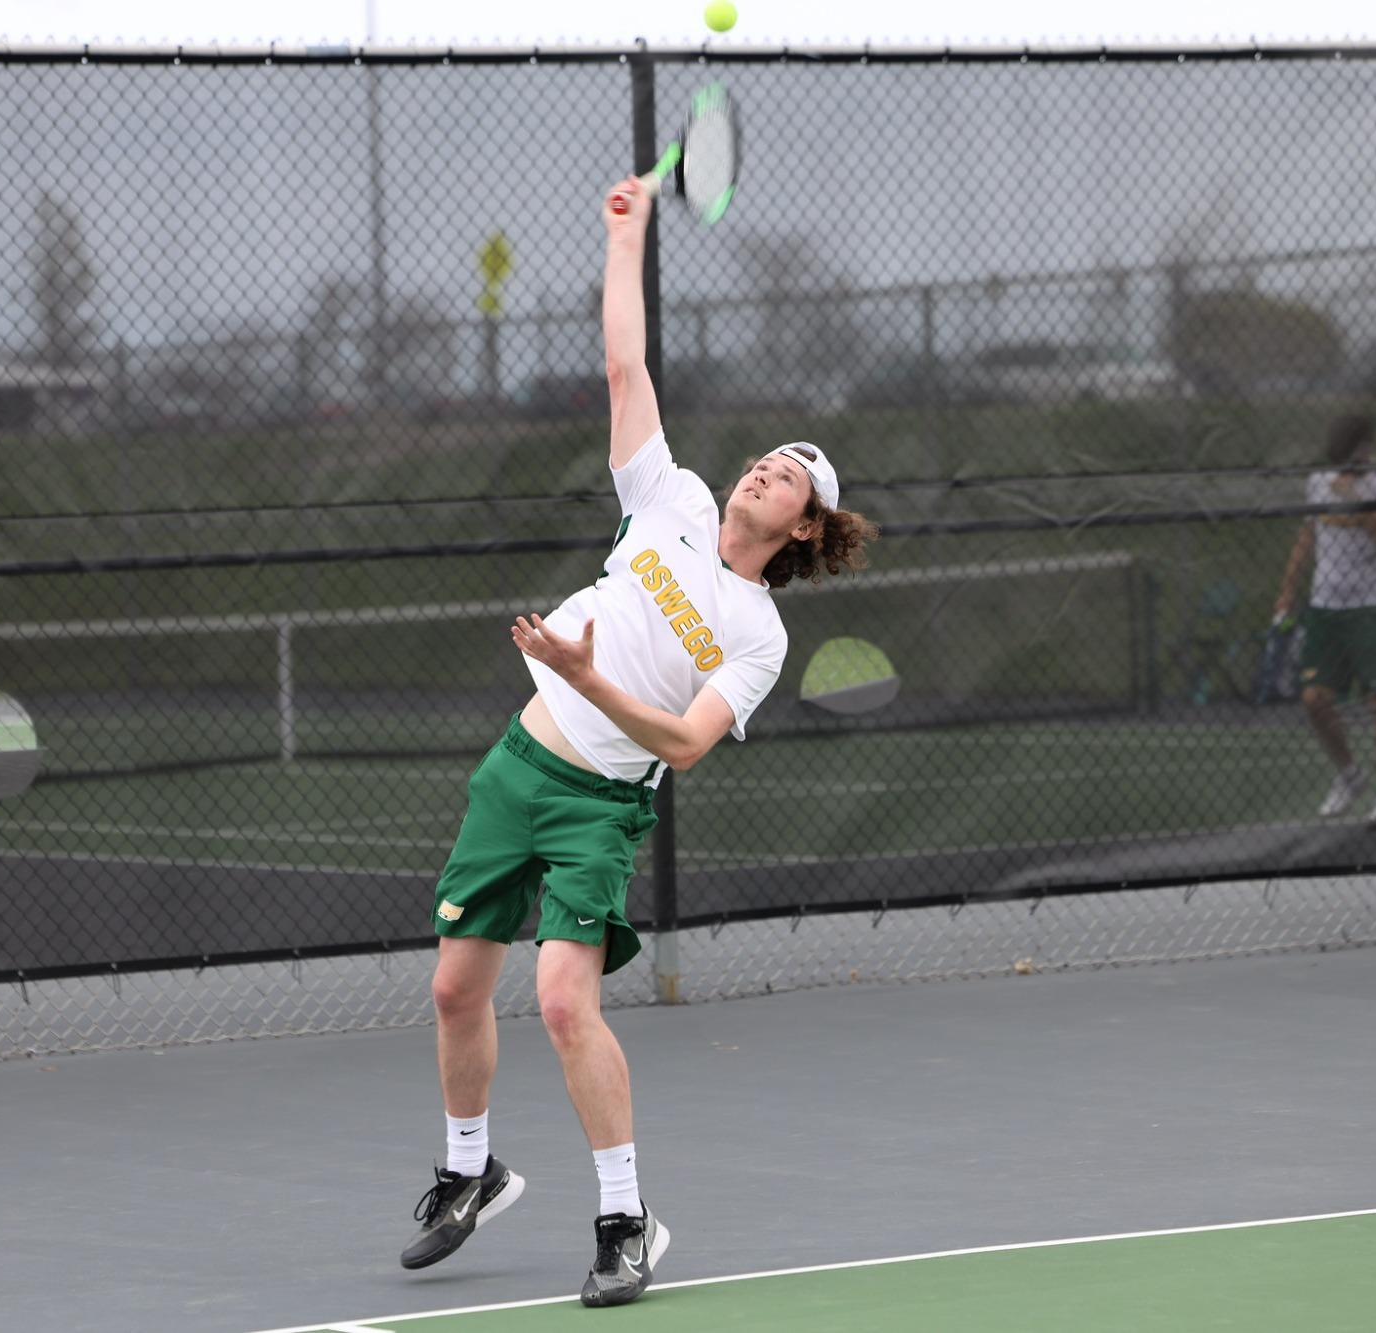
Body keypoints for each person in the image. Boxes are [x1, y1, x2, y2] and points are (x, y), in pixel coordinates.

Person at [398, 173, 880, 1308]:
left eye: (790, 480)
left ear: (801, 527)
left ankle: (624, 1219)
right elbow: (625, 366)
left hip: (599, 804)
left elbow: (684, 742)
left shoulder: (755, 633)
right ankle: (468, 1176)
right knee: (454, 993)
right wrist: (626, 240)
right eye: (766, 459)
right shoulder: (666, 497)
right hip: (516, 769)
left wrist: (584, 672)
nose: (766, 470)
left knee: (565, 1002)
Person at [1273, 415, 1376, 828]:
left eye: (1353, 461)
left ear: (1367, 450)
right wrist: (1288, 589)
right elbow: (1307, 534)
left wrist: (1359, 504)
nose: (1345, 471)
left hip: (1372, 606)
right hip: (1324, 607)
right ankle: (1349, 774)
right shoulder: (1318, 482)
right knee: (1314, 699)